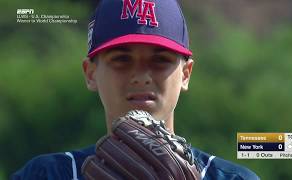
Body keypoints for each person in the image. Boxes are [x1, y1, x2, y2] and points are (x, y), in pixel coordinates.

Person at [12, 0, 259, 179]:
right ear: (90, 73)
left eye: (160, 59)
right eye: (121, 59)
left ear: (185, 74)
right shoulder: (47, 174)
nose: (141, 76)